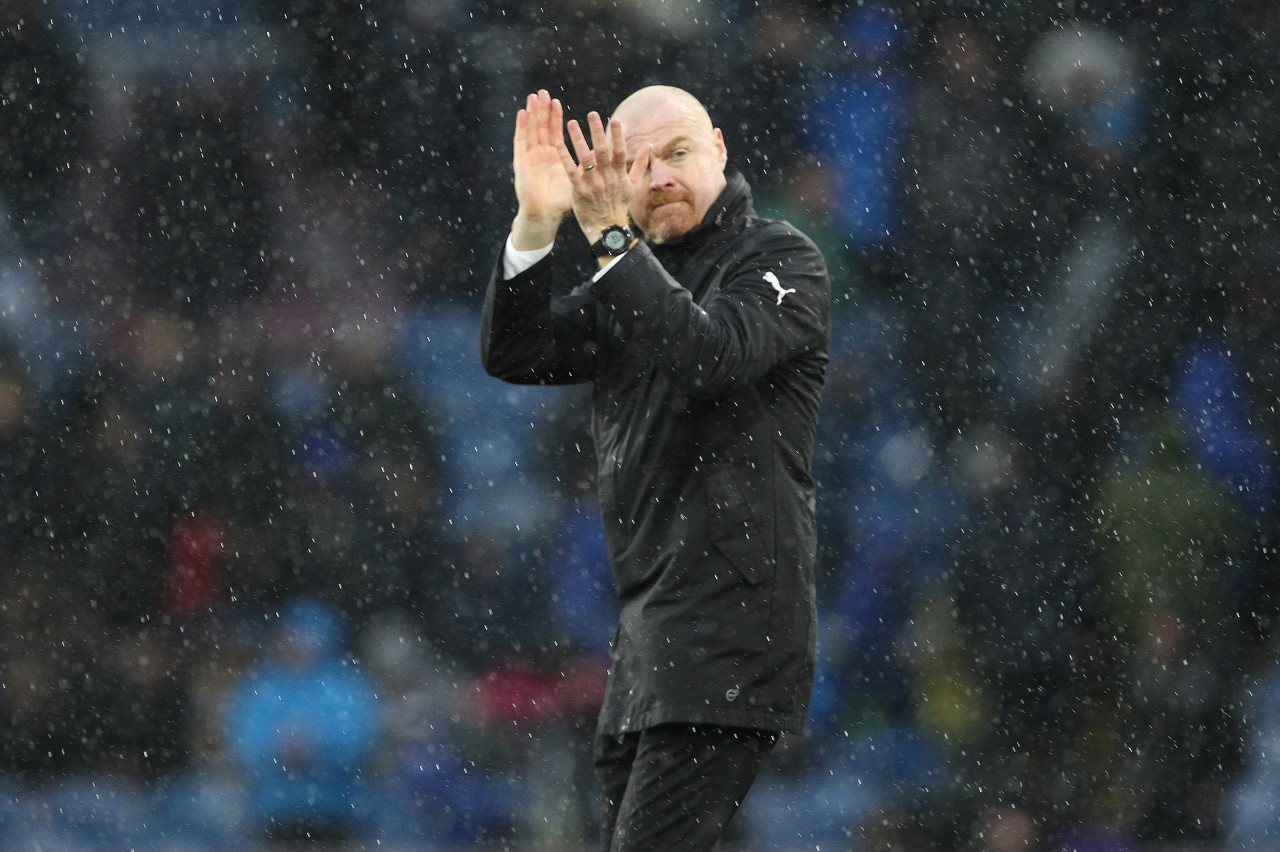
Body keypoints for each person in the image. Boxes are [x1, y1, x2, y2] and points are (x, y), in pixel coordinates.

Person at [480, 85, 830, 850]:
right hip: (649, 634)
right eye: (637, 165)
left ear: (720, 150)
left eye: (677, 153)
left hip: (734, 625)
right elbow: (516, 352)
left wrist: (611, 238)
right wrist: (536, 223)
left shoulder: (780, 258)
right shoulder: (628, 279)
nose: (660, 177)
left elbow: (708, 356)